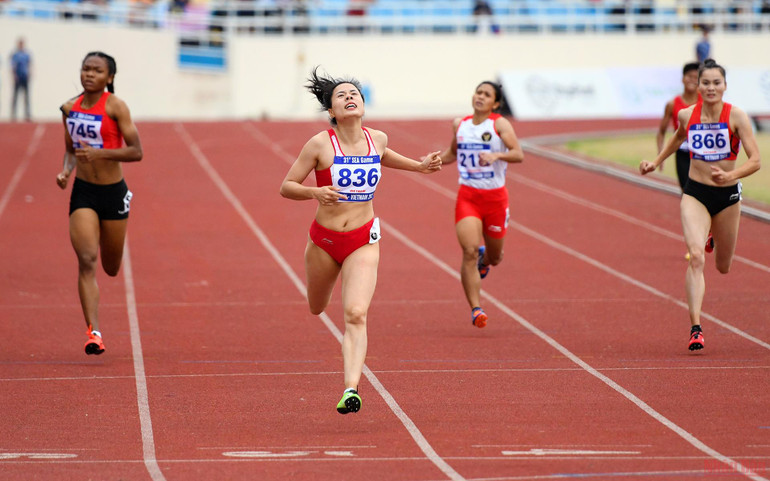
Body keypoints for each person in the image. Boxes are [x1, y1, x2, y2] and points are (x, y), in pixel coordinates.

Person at [280, 67, 442, 415]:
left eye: (355, 93)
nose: (350, 97)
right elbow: (286, 186)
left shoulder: (377, 139)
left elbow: (384, 156)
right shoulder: (321, 144)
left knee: (355, 313)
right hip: (324, 241)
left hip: (362, 238)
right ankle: (321, 300)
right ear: (331, 112)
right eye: (341, 95)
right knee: (317, 306)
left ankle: (350, 388)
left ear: (363, 105)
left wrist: (419, 166)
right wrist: (314, 192)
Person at [639, 59, 761, 352]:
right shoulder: (686, 114)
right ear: (698, 85)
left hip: (728, 196)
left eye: (716, 83)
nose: (710, 88)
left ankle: (711, 236)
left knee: (723, 267)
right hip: (695, 193)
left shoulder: (737, 117)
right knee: (696, 257)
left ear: (725, 86)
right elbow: (678, 137)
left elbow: (756, 160)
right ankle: (696, 327)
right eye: (705, 82)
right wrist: (656, 161)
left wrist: (730, 174)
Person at [56, 52, 143, 356]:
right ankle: (93, 332)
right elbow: (70, 149)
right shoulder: (69, 108)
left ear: (110, 78)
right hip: (83, 192)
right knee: (87, 260)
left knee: (110, 267)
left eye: (97, 70)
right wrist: (66, 171)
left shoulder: (116, 107)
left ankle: (112, 246)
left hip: (113, 194)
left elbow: (136, 151)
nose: (89, 74)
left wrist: (102, 154)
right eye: (85, 68)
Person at [438, 81, 524, 329]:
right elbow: (452, 154)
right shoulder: (460, 124)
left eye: (487, 95)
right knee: (468, 251)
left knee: (496, 257)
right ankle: (476, 308)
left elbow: (518, 154)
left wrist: (498, 155)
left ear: (495, 103)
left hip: (495, 199)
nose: (480, 97)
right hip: (468, 197)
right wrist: (433, 161)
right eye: (478, 92)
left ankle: (486, 261)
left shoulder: (499, 124)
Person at [656, 62, 701, 191]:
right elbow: (661, 132)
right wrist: (661, 155)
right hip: (683, 152)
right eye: (689, 76)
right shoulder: (672, 104)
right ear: (682, 79)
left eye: (695, 77)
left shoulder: (705, 101)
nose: (692, 80)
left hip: (702, 153)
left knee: (703, 190)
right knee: (686, 190)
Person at [10, 38, 32, 122]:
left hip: (25, 77)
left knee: (26, 97)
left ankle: (27, 114)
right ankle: (13, 114)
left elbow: (29, 64)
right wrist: (14, 75)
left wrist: (30, 73)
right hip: (18, 77)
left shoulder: (26, 54)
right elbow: (13, 66)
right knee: (15, 96)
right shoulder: (15, 54)